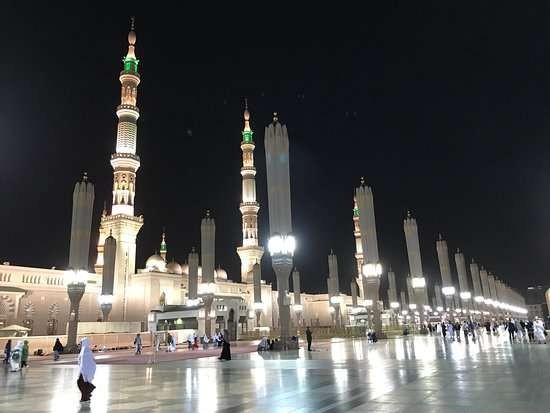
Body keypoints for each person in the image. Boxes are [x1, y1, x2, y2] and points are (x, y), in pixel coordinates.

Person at [77, 338, 96, 403]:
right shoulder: (84, 350)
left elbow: (86, 363)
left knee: (81, 383)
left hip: (85, 371)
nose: (80, 344)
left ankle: (86, 396)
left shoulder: (86, 351)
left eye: (81, 343)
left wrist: (83, 371)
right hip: (83, 371)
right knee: (82, 384)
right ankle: (86, 396)